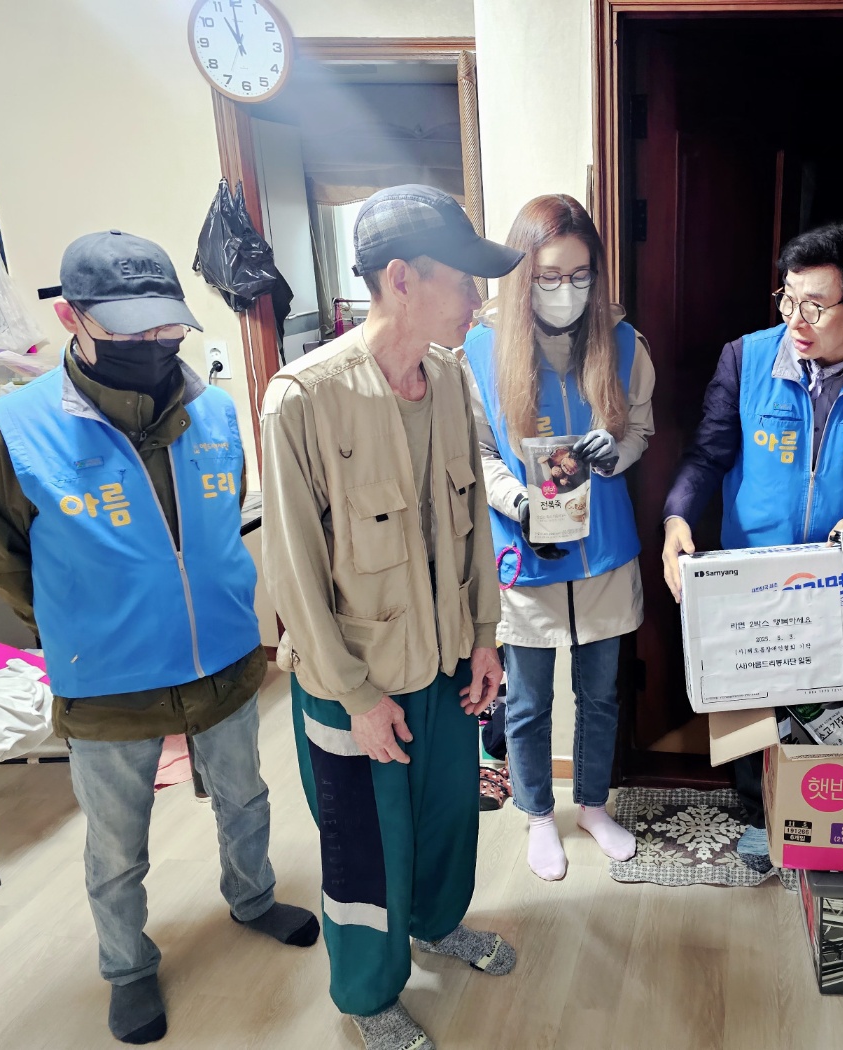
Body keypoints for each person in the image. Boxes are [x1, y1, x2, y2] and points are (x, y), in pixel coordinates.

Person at [0, 231, 317, 1045]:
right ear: (71, 319)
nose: (155, 343)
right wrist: (71, 620)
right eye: (131, 328)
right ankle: (127, 966)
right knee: (116, 843)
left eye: (166, 325)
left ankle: (253, 897)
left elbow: (219, 520)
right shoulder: (7, 433)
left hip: (223, 655)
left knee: (245, 798)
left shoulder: (216, 410)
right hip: (105, 676)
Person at [260, 186, 515, 1050]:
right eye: (464, 280)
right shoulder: (302, 398)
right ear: (402, 279)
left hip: (443, 661)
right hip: (354, 683)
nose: (478, 298)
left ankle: (437, 925)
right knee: (365, 850)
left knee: (446, 818)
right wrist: (356, 696)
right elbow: (294, 575)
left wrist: (485, 637)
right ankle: (368, 993)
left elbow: (471, 522)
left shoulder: (450, 376)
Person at [661, 221, 843, 869]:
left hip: (835, 574)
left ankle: (822, 822)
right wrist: (676, 519)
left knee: (828, 702)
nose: (796, 321)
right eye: (788, 300)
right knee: (752, 704)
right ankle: (759, 818)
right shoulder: (746, 358)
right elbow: (708, 453)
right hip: (750, 568)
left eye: (815, 306)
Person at [463, 194, 654, 881]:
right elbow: (478, 452)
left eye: (579, 276)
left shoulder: (624, 343)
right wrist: (516, 501)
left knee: (602, 695)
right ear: (522, 274)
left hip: (603, 553)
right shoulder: (481, 350)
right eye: (548, 276)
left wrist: (615, 452)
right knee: (528, 700)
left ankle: (593, 806)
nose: (566, 290)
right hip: (525, 554)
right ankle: (539, 814)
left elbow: (641, 430)